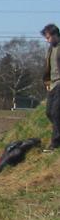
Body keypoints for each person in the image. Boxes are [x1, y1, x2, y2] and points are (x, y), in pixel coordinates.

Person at [42, 23, 60, 151]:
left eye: (48, 37)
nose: (46, 40)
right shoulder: (50, 49)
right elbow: (49, 67)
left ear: (55, 35)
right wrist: (47, 82)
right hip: (52, 84)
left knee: (55, 112)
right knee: (49, 112)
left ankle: (55, 143)